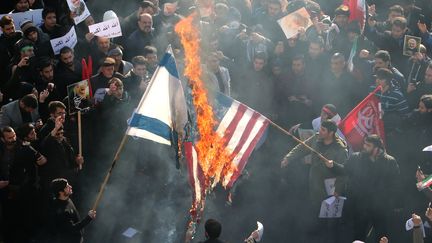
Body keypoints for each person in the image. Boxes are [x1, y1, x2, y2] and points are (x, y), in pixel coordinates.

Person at [343, 134, 399, 242]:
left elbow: (394, 184)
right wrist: (333, 166)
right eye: (365, 144)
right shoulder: (359, 158)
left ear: (376, 147)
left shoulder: (389, 161)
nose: (364, 146)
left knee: (381, 235)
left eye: (368, 145)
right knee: (359, 234)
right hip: (361, 205)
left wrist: (396, 203)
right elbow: (345, 170)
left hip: (380, 206)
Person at [49, 178, 96, 243]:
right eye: (67, 186)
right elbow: (72, 229)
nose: (70, 187)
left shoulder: (67, 199)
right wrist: (88, 218)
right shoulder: (61, 211)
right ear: (60, 192)